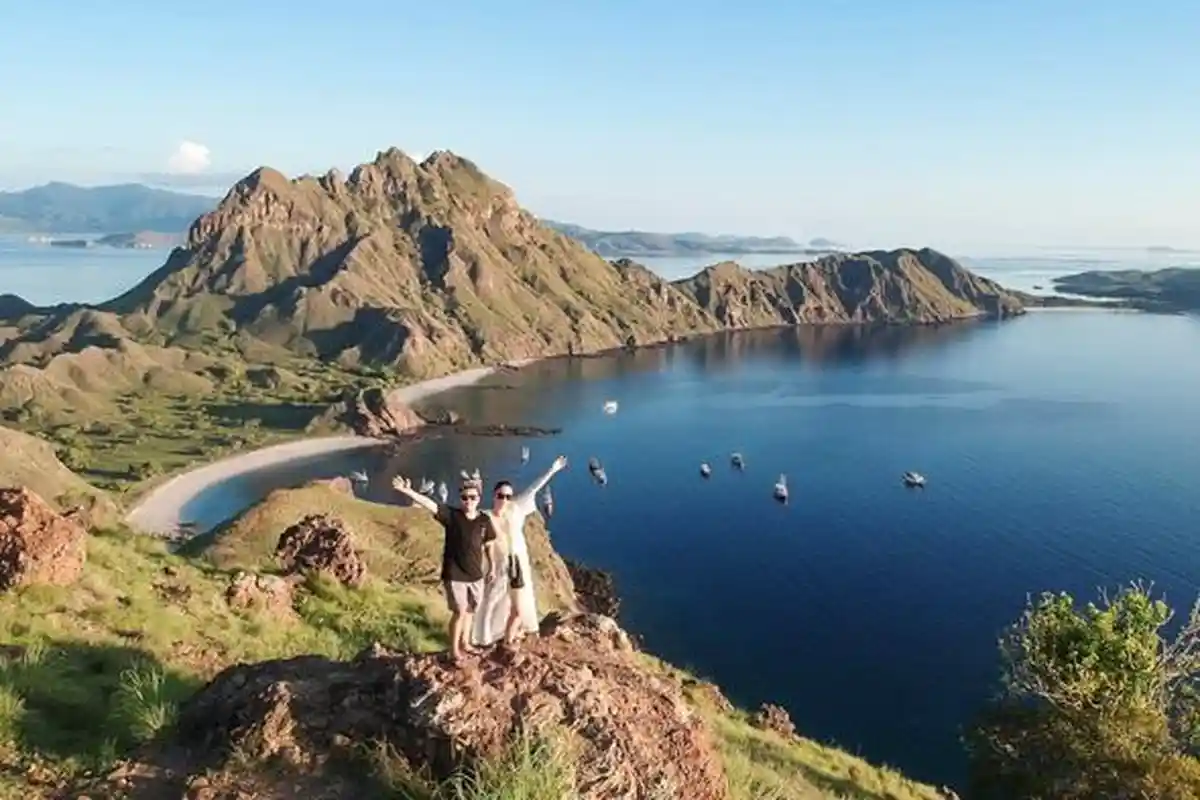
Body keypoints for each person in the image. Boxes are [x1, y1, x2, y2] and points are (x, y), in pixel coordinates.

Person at [392, 473, 496, 664]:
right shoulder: (452, 516)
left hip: (476, 575)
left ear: (479, 499)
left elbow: (489, 545)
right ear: (460, 499)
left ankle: (466, 643)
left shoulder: (484, 521)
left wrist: (492, 568)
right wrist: (408, 491)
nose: (468, 501)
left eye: (473, 497)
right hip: (455, 574)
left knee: (471, 611)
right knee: (460, 612)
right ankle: (454, 650)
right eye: (465, 497)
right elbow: (429, 503)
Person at [473, 455, 568, 649]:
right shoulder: (485, 516)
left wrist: (552, 469)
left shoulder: (517, 509)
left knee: (518, 607)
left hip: (517, 563)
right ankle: (484, 640)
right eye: (501, 495)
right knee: (490, 603)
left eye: (508, 496)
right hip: (497, 566)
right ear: (494, 495)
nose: (505, 500)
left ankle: (508, 639)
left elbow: (534, 487)